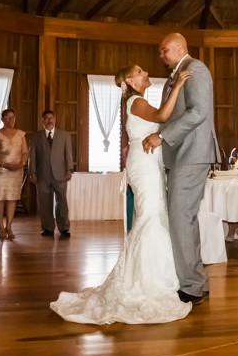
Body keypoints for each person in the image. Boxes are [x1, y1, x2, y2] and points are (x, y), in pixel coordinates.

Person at [51, 64, 194, 324]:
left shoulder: (137, 101)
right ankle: (147, 282)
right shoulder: (137, 101)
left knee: (153, 215)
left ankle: (152, 275)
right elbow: (163, 116)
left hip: (149, 162)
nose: (146, 73)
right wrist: (179, 87)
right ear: (130, 80)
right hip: (145, 164)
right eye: (140, 71)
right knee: (151, 216)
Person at [142, 33, 219, 305]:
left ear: (178, 48)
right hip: (181, 154)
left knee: (179, 219)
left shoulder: (195, 69)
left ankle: (191, 288)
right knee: (183, 219)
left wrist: (162, 137)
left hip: (191, 153)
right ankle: (195, 281)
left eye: (164, 50)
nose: (160, 55)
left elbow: (198, 112)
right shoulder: (178, 74)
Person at [30, 110, 73, 238]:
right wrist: (32, 172)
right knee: (45, 203)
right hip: (42, 175)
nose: (50, 121)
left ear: (55, 119)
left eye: (52, 118)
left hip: (60, 174)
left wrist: (69, 169)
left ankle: (64, 228)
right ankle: (48, 228)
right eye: (46, 118)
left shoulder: (64, 135)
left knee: (62, 202)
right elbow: (32, 156)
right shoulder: (36, 136)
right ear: (42, 120)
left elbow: (68, 154)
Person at [0, 109, 28, 240]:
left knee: (12, 198)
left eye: (12, 117)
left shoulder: (21, 134)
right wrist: (5, 165)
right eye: (7, 117)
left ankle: (9, 226)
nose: (10, 120)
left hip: (16, 169)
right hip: (1, 170)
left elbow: (25, 152)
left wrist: (21, 163)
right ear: (2, 119)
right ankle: (0, 226)